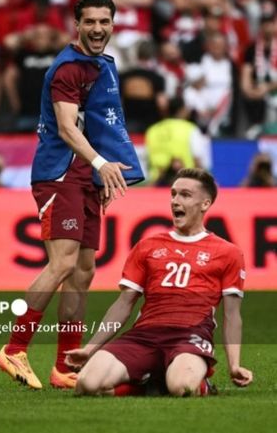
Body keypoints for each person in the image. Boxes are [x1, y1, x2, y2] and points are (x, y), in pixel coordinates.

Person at [0, 0, 143, 390]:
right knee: (61, 264)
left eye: (104, 22)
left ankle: (65, 366)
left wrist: (105, 176)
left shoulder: (100, 65)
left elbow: (99, 123)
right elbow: (66, 128)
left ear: (113, 25)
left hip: (84, 176)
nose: (97, 29)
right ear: (76, 25)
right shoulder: (68, 69)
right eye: (90, 21)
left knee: (83, 271)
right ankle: (13, 347)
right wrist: (100, 165)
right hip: (59, 174)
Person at [65, 168, 253, 397]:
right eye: (173, 194)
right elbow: (124, 304)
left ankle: (198, 383)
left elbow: (232, 315)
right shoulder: (148, 246)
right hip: (145, 335)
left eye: (185, 195)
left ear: (205, 204)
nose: (175, 201)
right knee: (87, 384)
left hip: (190, 335)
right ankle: (149, 383)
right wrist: (90, 348)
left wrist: (234, 365)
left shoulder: (228, 252)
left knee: (182, 387)